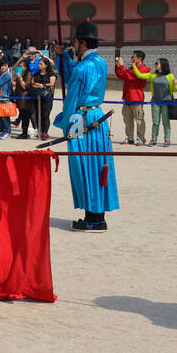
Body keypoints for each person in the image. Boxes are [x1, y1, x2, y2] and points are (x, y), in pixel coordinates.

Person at [55, 21, 119, 231]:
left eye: (75, 42)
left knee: (84, 166)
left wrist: (65, 122)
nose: (74, 45)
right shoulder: (99, 62)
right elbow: (73, 73)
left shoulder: (83, 67)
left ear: (81, 42)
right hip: (97, 116)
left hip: (81, 119)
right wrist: (63, 56)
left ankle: (91, 218)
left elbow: (72, 95)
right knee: (98, 165)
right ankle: (96, 216)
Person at [114, 50, 150, 145]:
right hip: (127, 97)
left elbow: (132, 76)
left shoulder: (145, 69)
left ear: (139, 58)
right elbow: (121, 75)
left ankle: (141, 138)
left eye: (134, 57)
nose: (132, 58)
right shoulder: (130, 69)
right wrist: (118, 66)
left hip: (137, 98)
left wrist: (122, 66)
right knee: (127, 120)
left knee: (139, 119)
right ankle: (130, 137)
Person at [146, 58, 177, 147]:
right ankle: (153, 139)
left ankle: (167, 140)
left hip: (166, 101)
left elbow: (173, 89)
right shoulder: (153, 75)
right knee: (155, 121)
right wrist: (134, 65)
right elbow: (140, 75)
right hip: (155, 101)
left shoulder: (170, 76)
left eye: (157, 63)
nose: (155, 64)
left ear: (163, 65)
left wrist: (175, 84)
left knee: (166, 121)